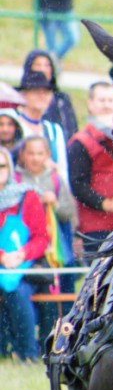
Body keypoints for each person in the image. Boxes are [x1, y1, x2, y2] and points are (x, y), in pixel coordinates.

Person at [16, 135, 77, 340]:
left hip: (51, 250)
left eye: (40, 153)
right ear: (22, 155)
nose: (35, 158)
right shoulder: (16, 179)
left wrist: (54, 204)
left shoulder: (55, 179)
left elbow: (69, 213)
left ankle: (49, 340)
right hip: (24, 245)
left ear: (47, 155)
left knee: (52, 297)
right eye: (30, 153)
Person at [0, 147, 47, 361]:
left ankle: (28, 354)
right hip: (4, 262)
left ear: (10, 168)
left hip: (23, 267)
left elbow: (41, 237)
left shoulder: (26, 197)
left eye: (2, 166)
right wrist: (2, 256)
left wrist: (21, 254)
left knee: (16, 291)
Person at [67, 82, 113, 257]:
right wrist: (105, 204)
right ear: (90, 104)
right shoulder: (80, 142)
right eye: (102, 100)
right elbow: (77, 184)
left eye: (111, 100)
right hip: (96, 225)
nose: (107, 105)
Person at [14, 70, 68, 183]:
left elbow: (63, 170)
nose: (41, 96)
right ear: (24, 94)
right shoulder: (13, 126)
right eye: (36, 92)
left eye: (46, 92)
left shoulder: (54, 130)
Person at [23, 49, 77, 138]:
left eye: (47, 65)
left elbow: (72, 129)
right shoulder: (18, 99)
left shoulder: (61, 100)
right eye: (38, 65)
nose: (43, 69)